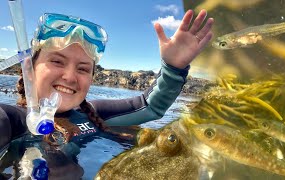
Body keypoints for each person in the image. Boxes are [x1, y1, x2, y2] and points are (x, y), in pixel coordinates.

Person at [0, 9, 214, 179]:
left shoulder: (94, 112)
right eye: (57, 61)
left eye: (83, 68)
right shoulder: (13, 120)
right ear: (29, 69)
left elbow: (150, 106)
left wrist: (173, 68)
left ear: (92, 78)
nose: (70, 76)